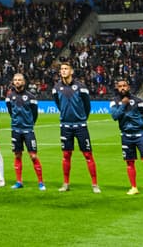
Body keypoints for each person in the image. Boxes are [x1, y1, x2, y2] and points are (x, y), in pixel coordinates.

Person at [52, 62, 100, 193]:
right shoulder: (56, 88)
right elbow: (58, 104)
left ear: (71, 71)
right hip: (65, 126)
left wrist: (82, 118)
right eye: (62, 69)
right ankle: (66, 183)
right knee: (66, 154)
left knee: (88, 154)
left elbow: (87, 106)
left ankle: (95, 184)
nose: (63, 71)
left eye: (66, 69)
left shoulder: (81, 87)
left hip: (80, 126)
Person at [109, 78, 143, 196]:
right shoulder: (114, 102)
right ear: (117, 88)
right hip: (125, 136)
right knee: (130, 162)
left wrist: (140, 125)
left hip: (139, 135)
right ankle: (134, 187)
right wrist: (123, 105)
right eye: (120, 86)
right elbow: (115, 116)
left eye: (124, 86)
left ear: (128, 87)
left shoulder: (138, 101)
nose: (122, 88)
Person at [4, 72, 45, 190]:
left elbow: (35, 113)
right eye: (15, 80)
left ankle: (41, 182)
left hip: (28, 130)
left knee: (33, 156)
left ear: (24, 82)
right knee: (17, 155)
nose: (17, 82)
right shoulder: (9, 97)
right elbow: (10, 111)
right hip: (15, 129)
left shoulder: (31, 97)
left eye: (19, 80)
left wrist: (29, 124)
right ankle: (19, 182)